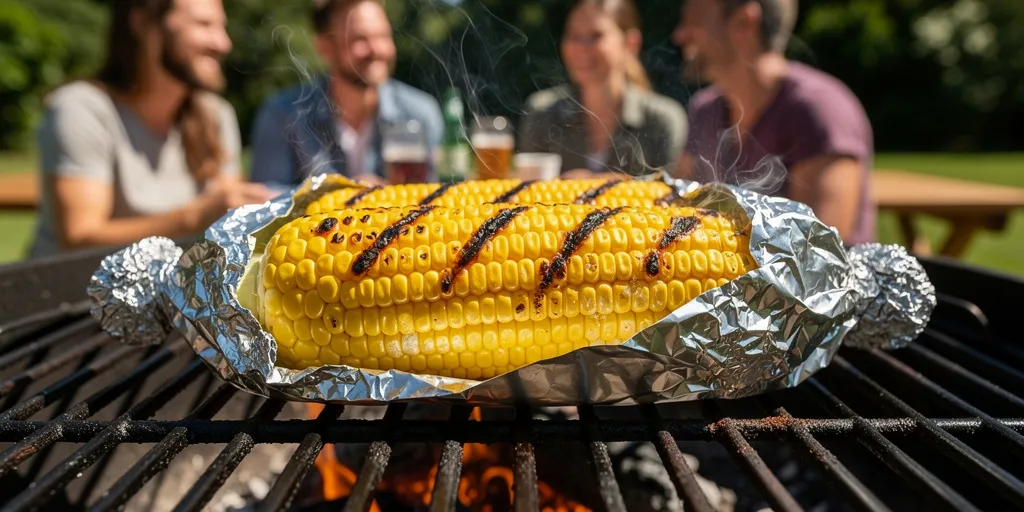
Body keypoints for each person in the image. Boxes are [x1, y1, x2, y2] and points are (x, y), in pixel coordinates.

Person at [30, 0, 274, 258]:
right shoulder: (82, 110)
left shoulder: (214, 115)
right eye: (204, 24)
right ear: (143, 24)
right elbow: (79, 237)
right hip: (67, 293)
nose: (223, 43)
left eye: (221, 27)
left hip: (172, 294)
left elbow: (224, 220)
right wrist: (195, 218)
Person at [672, 0, 875, 245]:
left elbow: (818, 251)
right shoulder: (704, 110)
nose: (679, 36)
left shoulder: (819, 111)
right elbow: (677, 211)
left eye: (693, 21)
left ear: (743, 22)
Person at [249, 0, 444, 187]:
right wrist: (341, 196)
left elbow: (435, 194)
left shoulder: (420, 113)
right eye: (360, 39)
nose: (376, 49)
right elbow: (264, 201)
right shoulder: (282, 115)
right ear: (324, 47)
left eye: (383, 36)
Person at [517, 0, 688, 178]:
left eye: (595, 36)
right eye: (574, 36)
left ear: (630, 44)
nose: (582, 48)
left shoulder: (661, 121)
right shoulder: (542, 114)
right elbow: (527, 189)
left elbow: (669, 195)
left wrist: (591, 184)